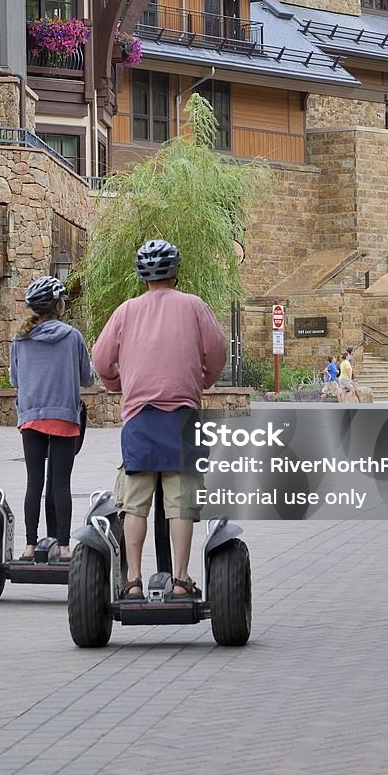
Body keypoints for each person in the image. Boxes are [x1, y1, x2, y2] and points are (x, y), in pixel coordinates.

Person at [92, 239, 226, 599]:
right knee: (181, 501)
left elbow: (102, 361)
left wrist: (119, 384)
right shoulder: (195, 306)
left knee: (134, 503)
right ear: (176, 271)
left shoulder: (126, 311)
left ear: (142, 275)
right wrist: (201, 381)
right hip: (183, 415)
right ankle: (181, 580)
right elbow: (217, 353)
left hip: (140, 417)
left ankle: (133, 581)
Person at [10, 276, 93, 562]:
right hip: (64, 417)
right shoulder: (72, 337)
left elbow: (13, 379)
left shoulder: (21, 339)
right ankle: (65, 547)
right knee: (61, 484)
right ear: (58, 304)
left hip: (31, 416)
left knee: (34, 483)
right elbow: (87, 379)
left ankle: (30, 547)